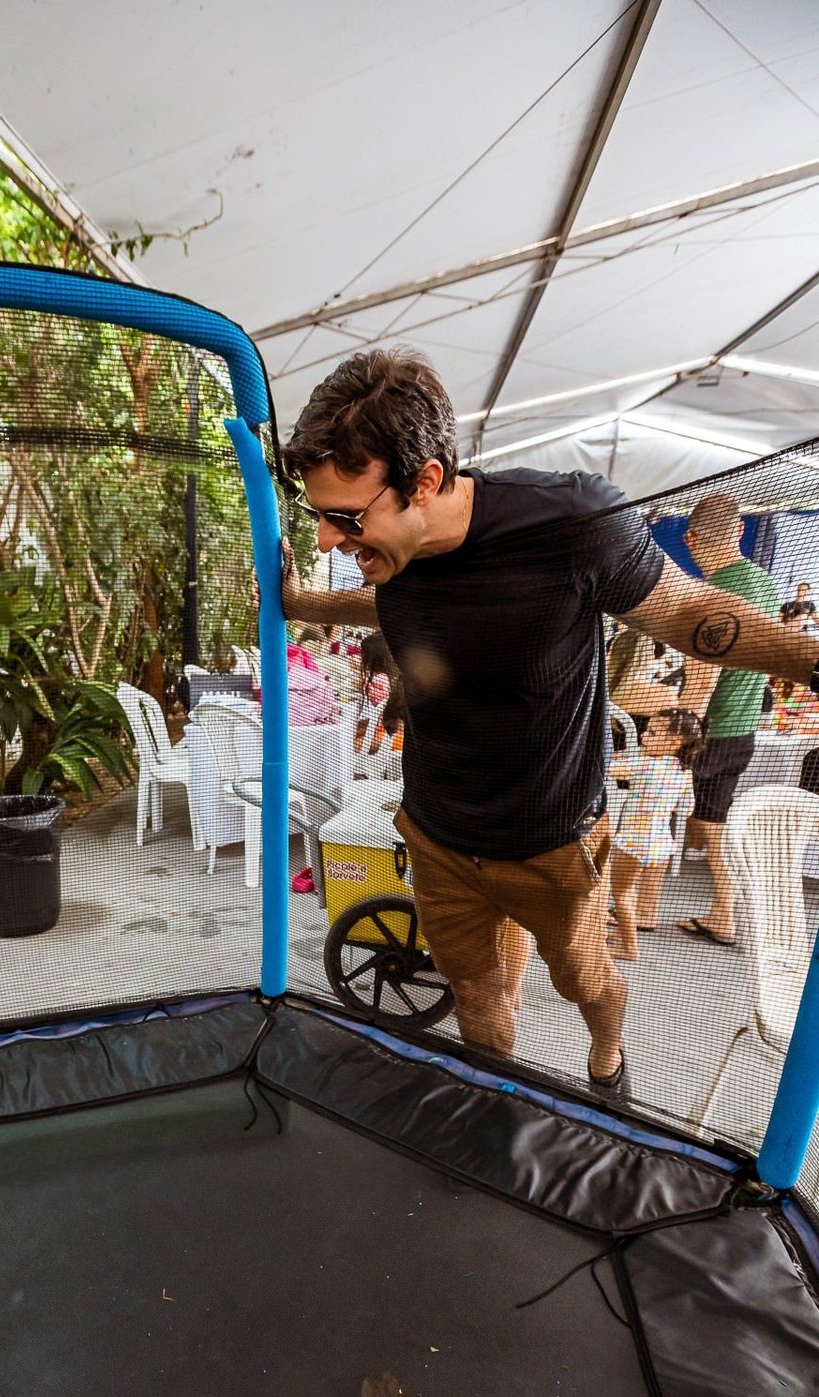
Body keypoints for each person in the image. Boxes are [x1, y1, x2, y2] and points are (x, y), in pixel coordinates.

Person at [278, 348, 819, 1094]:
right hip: (439, 838)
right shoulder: (394, 565)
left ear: (425, 482)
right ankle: (501, 1103)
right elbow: (388, 605)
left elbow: (690, 612)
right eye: (319, 518)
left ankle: (608, 1061)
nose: (327, 540)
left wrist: (812, 662)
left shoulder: (570, 522)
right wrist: (302, 603)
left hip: (554, 845)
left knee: (587, 985)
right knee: (476, 994)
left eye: (345, 518)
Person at [674, 495, 782, 948]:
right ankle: (724, 912)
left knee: (650, 811)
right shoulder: (767, 585)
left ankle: (629, 911)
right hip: (743, 731)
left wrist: (677, 737)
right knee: (713, 821)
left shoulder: (713, 594)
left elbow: (703, 677)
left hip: (711, 730)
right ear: (739, 531)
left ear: (690, 539)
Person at [608, 707, 703, 960]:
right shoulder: (685, 771)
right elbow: (686, 809)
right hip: (662, 844)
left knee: (622, 894)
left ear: (674, 742)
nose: (642, 735)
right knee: (633, 892)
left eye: (652, 732)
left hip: (633, 842)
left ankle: (630, 948)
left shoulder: (644, 763)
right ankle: (626, 934)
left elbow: (607, 769)